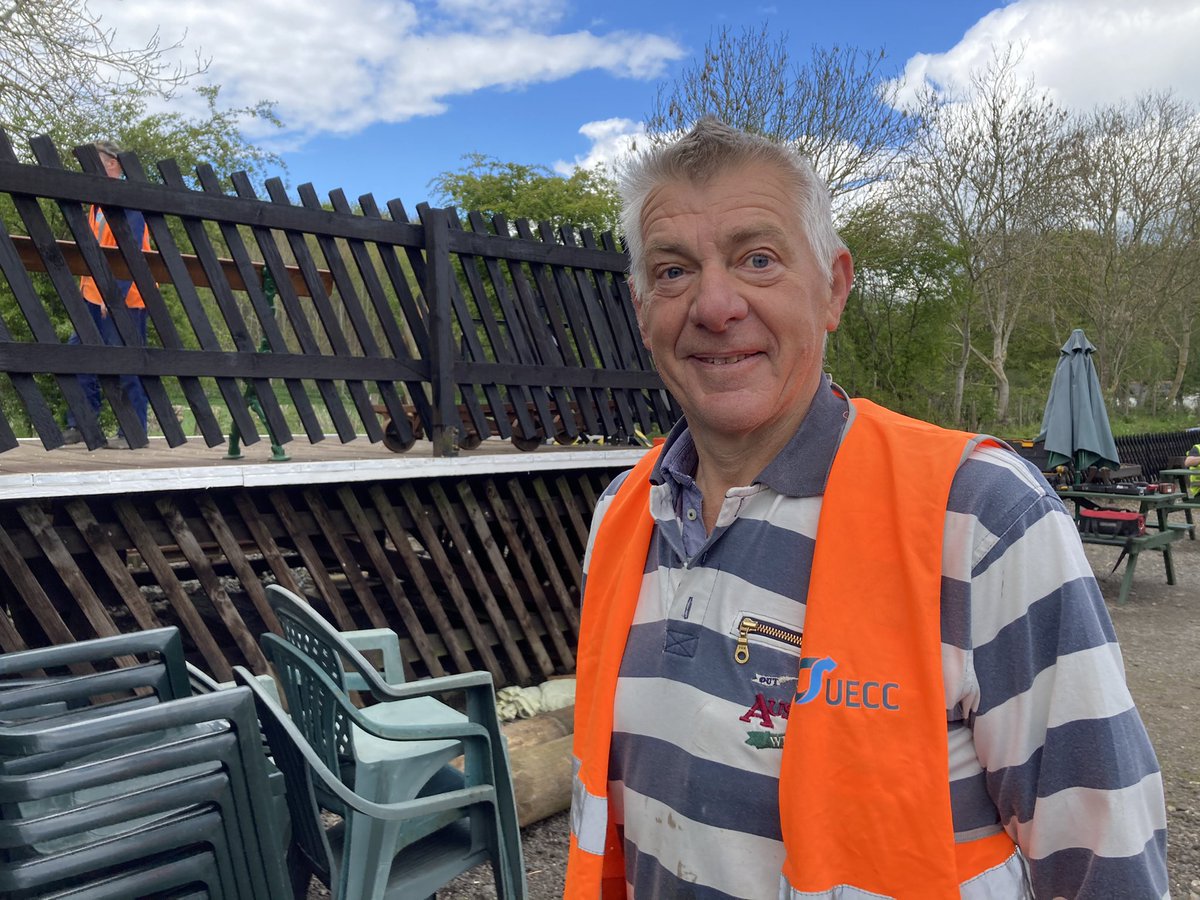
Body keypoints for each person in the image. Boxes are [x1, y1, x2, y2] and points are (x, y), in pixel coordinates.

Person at [566, 119, 1168, 899]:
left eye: (758, 259)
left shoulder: (978, 515)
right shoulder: (621, 516)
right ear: (642, 309)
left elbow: (1103, 858)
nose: (715, 305)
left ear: (834, 288)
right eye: (674, 272)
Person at [61, 139, 150, 450]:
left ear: (114, 164)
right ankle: (81, 425)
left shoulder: (127, 202)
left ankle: (133, 432)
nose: (90, 169)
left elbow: (132, 253)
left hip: (124, 300)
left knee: (125, 363)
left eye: (96, 161)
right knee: (79, 356)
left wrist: (111, 300)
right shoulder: (96, 204)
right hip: (93, 295)